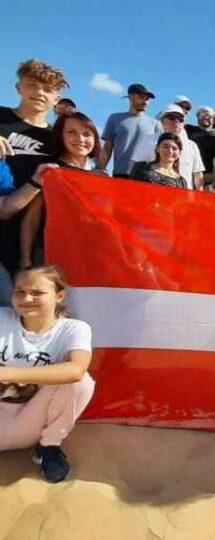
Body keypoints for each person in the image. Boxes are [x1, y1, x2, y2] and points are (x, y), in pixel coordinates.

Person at [0, 265, 94, 483]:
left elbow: (76, 370)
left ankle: (49, 447)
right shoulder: (2, 318)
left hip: (30, 422)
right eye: (19, 291)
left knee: (82, 383)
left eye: (37, 292)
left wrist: (8, 373)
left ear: (59, 296)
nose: (27, 298)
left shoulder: (73, 329)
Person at [0, 60, 69, 280]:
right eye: (31, 84)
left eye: (48, 89)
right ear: (19, 87)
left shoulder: (58, 139)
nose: (39, 93)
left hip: (30, 237)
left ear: (56, 99)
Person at [20, 112, 102, 269]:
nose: (81, 139)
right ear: (60, 136)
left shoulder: (101, 176)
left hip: (87, 257)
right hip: (49, 256)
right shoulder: (49, 171)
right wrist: (25, 260)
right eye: (72, 132)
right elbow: (32, 219)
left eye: (87, 134)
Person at [130, 104, 205, 190]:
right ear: (162, 120)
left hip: (182, 198)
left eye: (180, 119)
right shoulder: (148, 140)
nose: (176, 121)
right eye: (171, 117)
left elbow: (198, 175)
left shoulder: (192, 146)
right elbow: (135, 169)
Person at [98, 83, 161, 178]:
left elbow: (159, 153)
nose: (145, 102)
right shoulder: (115, 118)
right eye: (141, 97)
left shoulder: (156, 124)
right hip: (120, 174)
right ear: (131, 97)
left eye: (147, 99)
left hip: (145, 176)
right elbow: (107, 148)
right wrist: (100, 169)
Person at [185, 106, 215, 183]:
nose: (205, 117)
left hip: (205, 178)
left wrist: (213, 176)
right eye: (202, 115)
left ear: (213, 120)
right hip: (186, 173)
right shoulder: (187, 129)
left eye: (208, 115)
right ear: (197, 117)